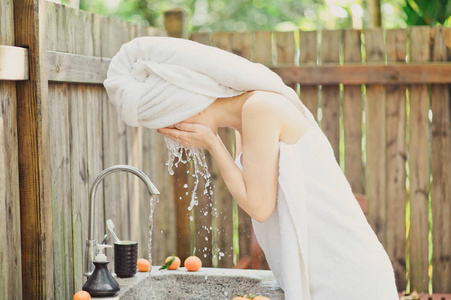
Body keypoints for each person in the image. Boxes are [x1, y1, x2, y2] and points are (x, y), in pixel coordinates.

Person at [104, 36, 399, 300]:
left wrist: (213, 144)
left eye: (174, 125)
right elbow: (255, 195)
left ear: (187, 106)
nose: (179, 136)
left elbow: (259, 207)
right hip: (335, 273)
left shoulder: (260, 108)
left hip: (346, 278)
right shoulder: (248, 116)